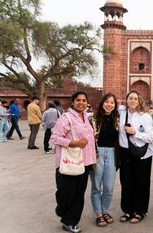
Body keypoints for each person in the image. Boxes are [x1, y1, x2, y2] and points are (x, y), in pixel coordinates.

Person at [50, 91, 97, 233]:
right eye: (78, 100)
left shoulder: (86, 117)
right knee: (66, 192)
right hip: (68, 161)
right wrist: (74, 143)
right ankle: (64, 212)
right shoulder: (66, 118)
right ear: (73, 102)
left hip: (84, 162)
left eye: (83, 100)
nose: (81, 102)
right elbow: (55, 137)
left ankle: (71, 221)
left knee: (78, 194)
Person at [118, 90, 153, 224]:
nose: (132, 101)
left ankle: (140, 211)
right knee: (126, 181)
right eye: (130, 98)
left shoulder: (145, 117)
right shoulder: (121, 113)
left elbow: (150, 137)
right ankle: (127, 210)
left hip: (142, 153)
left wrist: (135, 132)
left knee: (141, 182)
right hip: (125, 152)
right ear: (126, 100)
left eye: (135, 98)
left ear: (139, 101)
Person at [89, 93, 119, 227]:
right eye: (107, 102)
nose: (109, 105)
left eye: (112, 102)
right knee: (96, 186)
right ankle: (99, 213)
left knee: (108, 187)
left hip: (112, 153)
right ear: (102, 103)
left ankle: (105, 209)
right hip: (97, 153)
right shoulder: (93, 119)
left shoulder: (117, 119)